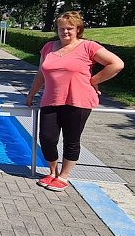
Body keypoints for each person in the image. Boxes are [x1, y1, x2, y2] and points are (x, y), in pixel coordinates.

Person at [26, 11, 124, 192]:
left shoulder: (89, 47)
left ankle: (63, 176)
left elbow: (116, 64)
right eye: (61, 28)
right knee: (47, 138)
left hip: (78, 100)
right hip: (51, 99)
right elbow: (41, 73)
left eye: (69, 28)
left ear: (78, 29)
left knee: (71, 140)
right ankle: (53, 172)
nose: (65, 32)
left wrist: (94, 81)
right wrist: (31, 94)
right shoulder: (48, 47)